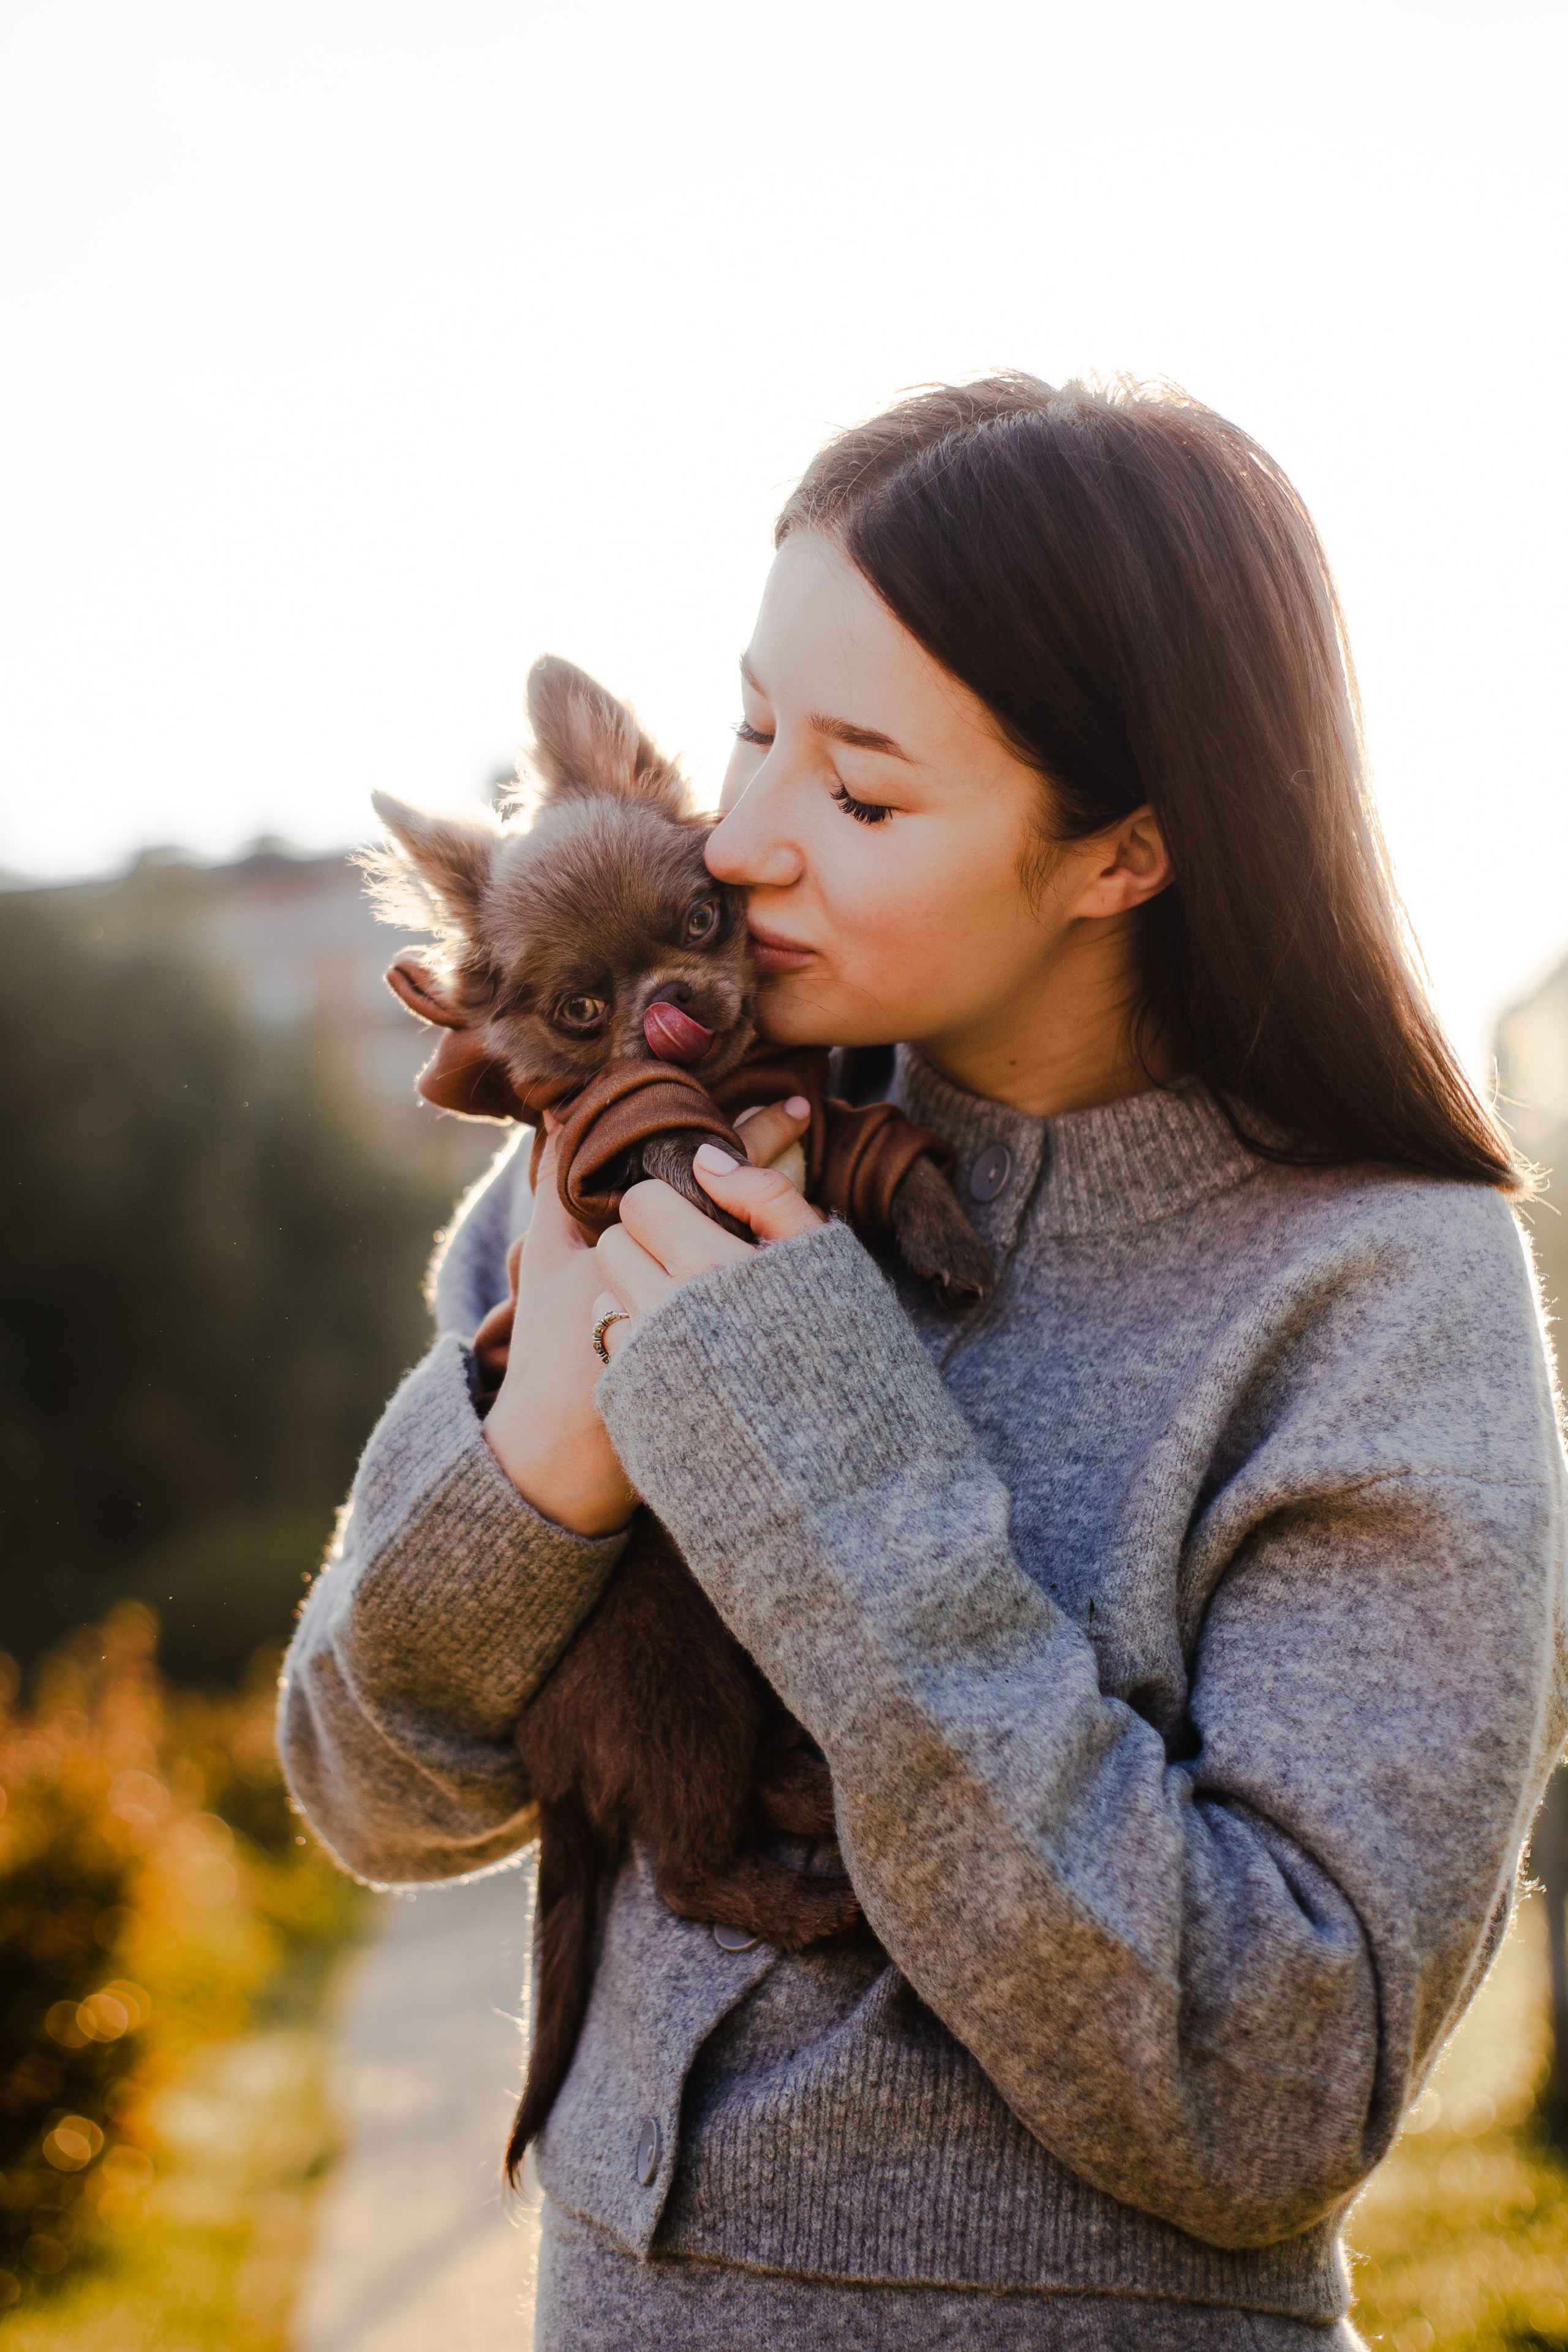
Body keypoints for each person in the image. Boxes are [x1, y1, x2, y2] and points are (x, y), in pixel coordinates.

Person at [279, 375, 1567, 2348]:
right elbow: (369, 1792)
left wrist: (810, 1425)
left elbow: (1269, 2092)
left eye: (862, 794)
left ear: (1122, 853)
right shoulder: (617, 1160)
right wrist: (544, 1446)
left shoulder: (1377, 1289)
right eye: (752, 729)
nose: (749, 843)